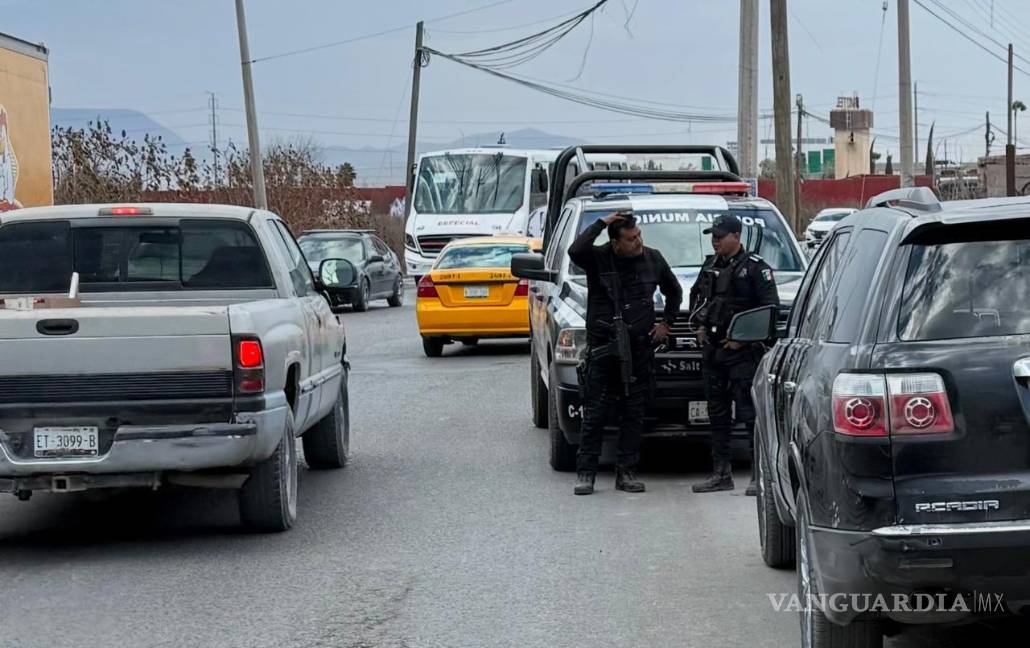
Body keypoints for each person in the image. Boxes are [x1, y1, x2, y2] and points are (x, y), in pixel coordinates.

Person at [567, 211, 682, 496]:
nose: (638, 242)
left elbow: (674, 292)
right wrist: (601, 223)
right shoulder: (599, 258)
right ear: (616, 243)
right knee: (595, 414)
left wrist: (666, 323)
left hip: (639, 349)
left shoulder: (652, 258)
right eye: (631, 239)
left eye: (639, 235)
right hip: (605, 348)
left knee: (634, 414)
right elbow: (575, 250)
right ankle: (586, 473)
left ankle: (627, 472)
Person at [689, 214, 779, 495]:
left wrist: (743, 340)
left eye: (720, 235)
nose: (715, 240)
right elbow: (697, 300)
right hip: (714, 352)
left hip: (743, 355)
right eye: (713, 235)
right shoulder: (710, 266)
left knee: (749, 415)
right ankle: (721, 473)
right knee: (717, 415)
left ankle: (757, 475)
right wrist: (700, 326)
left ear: (736, 236)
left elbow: (769, 312)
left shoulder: (755, 269)